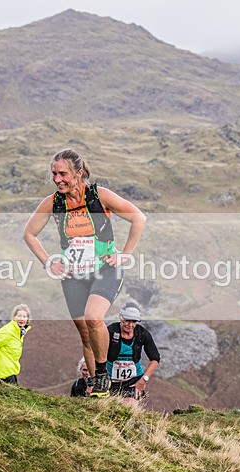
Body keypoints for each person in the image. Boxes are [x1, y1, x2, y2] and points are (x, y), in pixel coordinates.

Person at [24, 149, 147, 397]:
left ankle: (101, 376)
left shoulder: (97, 195)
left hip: (105, 270)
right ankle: (99, 392)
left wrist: (125, 254)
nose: (57, 179)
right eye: (54, 174)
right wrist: (49, 263)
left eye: (63, 174)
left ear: (79, 173)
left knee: (93, 319)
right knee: (84, 331)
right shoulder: (54, 202)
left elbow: (138, 217)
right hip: (74, 275)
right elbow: (29, 234)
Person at [106, 302, 160, 403]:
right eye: (127, 320)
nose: (130, 325)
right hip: (110, 381)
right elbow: (96, 354)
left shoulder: (142, 333)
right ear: (121, 317)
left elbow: (155, 358)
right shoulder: (111, 331)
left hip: (133, 382)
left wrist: (143, 380)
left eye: (134, 322)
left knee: (129, 409)